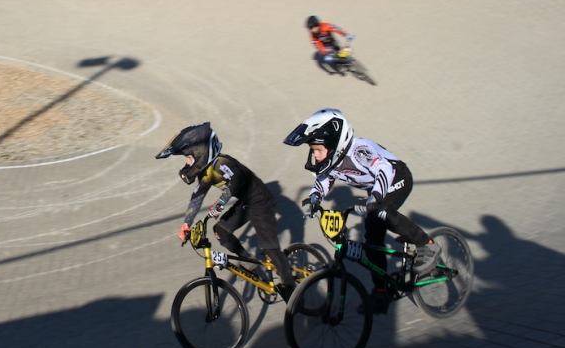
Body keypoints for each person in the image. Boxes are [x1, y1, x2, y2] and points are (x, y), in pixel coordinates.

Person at [283, 108, 441, 314]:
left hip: (397, 178)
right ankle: (381, 292)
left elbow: (384, 170)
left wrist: (374, 197)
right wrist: (314, 198)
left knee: (383, 212)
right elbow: (323, 180)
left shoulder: (359, 151)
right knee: (372, 243)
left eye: (318, 150)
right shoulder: (332, 160)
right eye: (313, 150)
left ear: (335, 144)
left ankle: (427, 244)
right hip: (375, 190)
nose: (315, 155)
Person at [156, 122, 297, 300]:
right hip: (246, 203)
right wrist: (186, 224)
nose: (187, 163)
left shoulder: (221, 163)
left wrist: (221, 201)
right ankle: (249, 262)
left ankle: (290, 286)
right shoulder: (206, 172)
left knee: (269, 246)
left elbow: (237, 180)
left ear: (200, 153)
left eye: (188, 158)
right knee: (221, 230)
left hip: (261, 202)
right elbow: (197, 197)